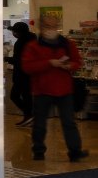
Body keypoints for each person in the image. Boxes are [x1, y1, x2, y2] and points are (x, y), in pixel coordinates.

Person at [22, 14, 88, 162]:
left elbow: (77, 62)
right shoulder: (33, 46)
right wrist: (49, 63)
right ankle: (38, 150)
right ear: (41, 27)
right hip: (42, 90)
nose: (51, 30)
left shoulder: (67, 44)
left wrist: (70, 65)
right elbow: (27, 67)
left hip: (64, 89)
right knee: (40, 123)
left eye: (54, 26)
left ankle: (75, 151)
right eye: (47, 26)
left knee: (69, 122)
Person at [7, 21, 34, 126]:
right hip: (29, 74)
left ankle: (30, 115)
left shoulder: (21, 43)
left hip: (22, 75)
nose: (13, 33)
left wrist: (6, 59)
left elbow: (19, 60)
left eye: (15, 31)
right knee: (27, 97)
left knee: (15, 96)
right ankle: (29, 116)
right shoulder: (32, 40)